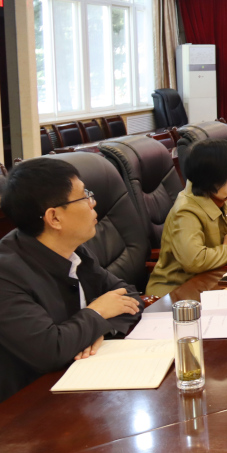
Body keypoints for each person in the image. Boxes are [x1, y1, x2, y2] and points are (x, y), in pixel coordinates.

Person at [0, 158, 143, 403]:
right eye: (84, 196)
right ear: (54, 218)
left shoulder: (73, 249)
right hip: (30, 405)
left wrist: (98, 329)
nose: (93, 202)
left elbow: (128, 295)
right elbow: (49, 350)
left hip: (83, 382)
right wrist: (97, 314)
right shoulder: (7, 274)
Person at [147, 139, 227, 297]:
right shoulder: (186, 211)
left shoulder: (220, 197)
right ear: (217, 175)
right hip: (177, 292)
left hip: (211, 279)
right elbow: (195, 261)